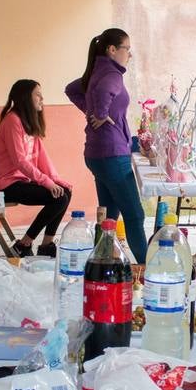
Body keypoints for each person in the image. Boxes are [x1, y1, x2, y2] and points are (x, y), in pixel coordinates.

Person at [65, 28, 146, 261]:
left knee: (109, 215)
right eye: (126, 49)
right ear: (112, 50)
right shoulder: (112, 75)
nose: (129, 55)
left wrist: (91, 110)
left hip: (97, 153)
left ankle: (101, 262)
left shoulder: (96, 71)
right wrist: (98, 112)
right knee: (134, 214)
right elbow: (102, 92)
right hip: (112, 155)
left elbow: (72, 90)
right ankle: (145, 269)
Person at [0, 79, 74, 257]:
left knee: (65, 192)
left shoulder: (27, 121)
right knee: (58, 198)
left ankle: (46, 245)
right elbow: (20, 160)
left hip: (22, 180)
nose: (42, 98)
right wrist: (46, 182)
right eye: (37, 94)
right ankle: (24, 244)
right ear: (25, 98)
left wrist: (55, 180)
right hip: (6, 185)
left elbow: (40, 156)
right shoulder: (12, 121)